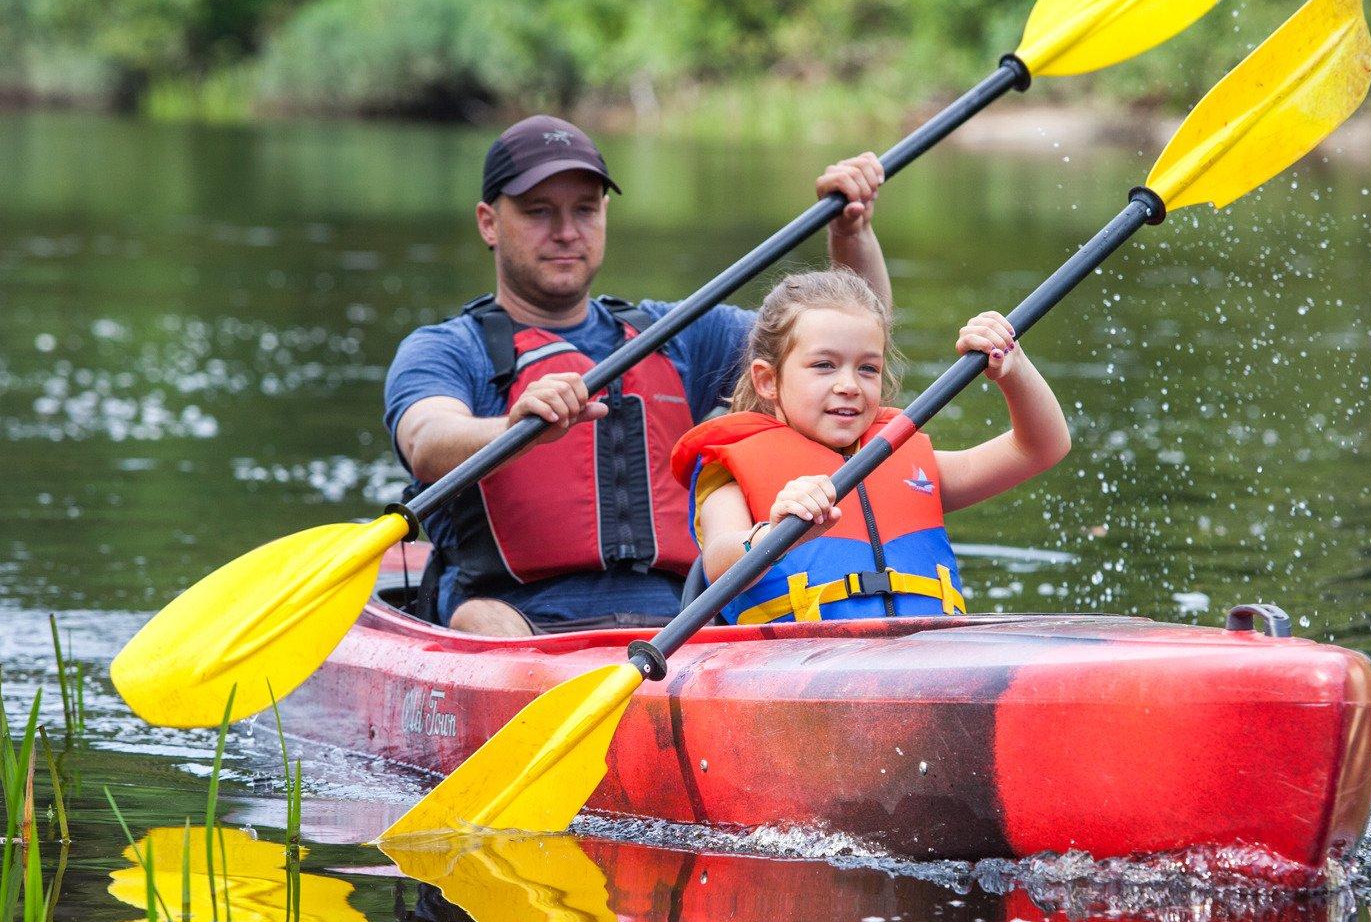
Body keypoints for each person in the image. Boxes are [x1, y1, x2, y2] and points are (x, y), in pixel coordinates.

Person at [384, 115, 892, 635]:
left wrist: (850, 231)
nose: (565, 232)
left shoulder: (679, 334)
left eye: (584, 210)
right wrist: (512, 429)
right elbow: (426, 440)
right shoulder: (448, 348)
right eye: (539, 212)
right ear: (489, 222)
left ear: (604, 213)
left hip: (679, 623)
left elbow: (848, 340)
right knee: (477, 619)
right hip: (516, 618)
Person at [670, 269, 1070, 625]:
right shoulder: (732, 478)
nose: (849, 384)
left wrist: (1013, 369)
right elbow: (719, 564)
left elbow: (1041, 447)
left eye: (868, 368)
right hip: (803, 677)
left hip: (931, 665)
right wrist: (774, 534)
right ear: (768, 381)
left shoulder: (912, 468)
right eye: (824, 365)